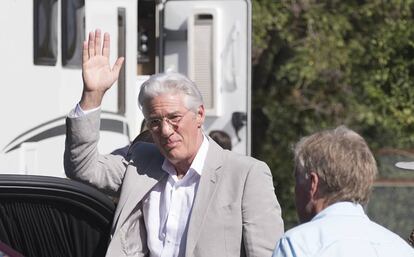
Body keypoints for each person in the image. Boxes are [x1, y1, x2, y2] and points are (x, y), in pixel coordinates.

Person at [64, 29, 284, 257]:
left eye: (174, 118)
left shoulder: (246, 174)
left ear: (199, 115)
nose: (166, 130)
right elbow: (82, 167)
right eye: (155, 122)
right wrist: (92, 95)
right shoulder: (140, 162)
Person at [272, 126, 414, 257]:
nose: (295, 192)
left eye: (297, 180)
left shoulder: (296, 244)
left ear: (312, 183)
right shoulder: (401, 249)